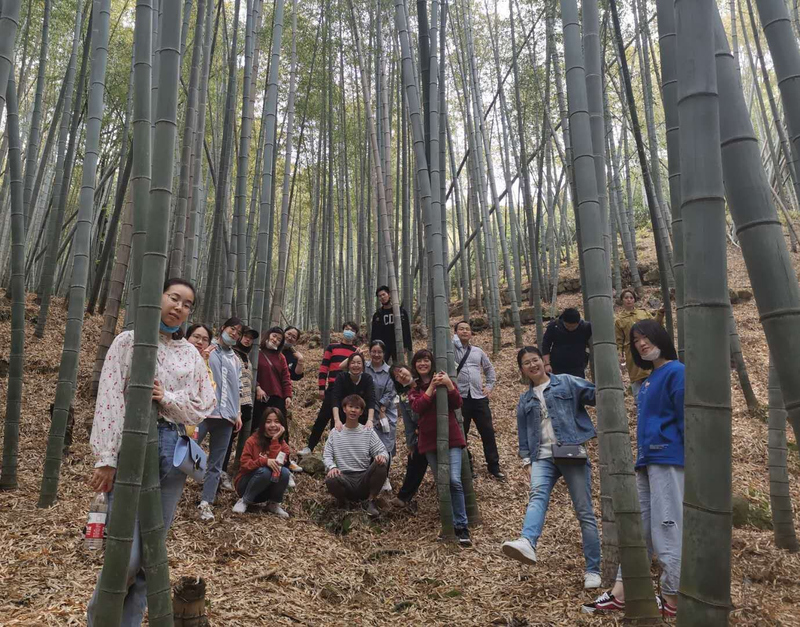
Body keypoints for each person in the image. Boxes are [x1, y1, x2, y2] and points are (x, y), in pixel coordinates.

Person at [87, 279, 216, 626]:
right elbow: (110, 400)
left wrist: (167, 398)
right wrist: (106, 458)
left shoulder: (189, 353)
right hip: (132, 445)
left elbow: (205, 404)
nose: (179, 307)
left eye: (187, 304)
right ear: (156, 297)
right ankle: (99, 620)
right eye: (174, 298)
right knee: (125, 559)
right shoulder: (128, 341)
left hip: (173, 450)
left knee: (150, 558)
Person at [583, 320, 684, 618]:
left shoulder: (677, 371)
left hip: (669, 459)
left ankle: (673, 598)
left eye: (645, 337)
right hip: (647, 461)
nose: (641, 344)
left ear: (660, 338)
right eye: (635, 340)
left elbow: (687, 419)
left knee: (667, 526)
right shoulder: (648, 381)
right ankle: (622, 592)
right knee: (639, 530)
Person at [500, 346, 601, 591]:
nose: (532, 365)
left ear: (543, 362)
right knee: (536, 496)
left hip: (570, 451)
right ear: (522, 370)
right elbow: (523, 434)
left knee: (584, 511)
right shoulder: (525, 399)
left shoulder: (566, 382)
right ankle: (527, 541)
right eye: (526, 363)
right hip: (542, 456)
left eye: (535, 360)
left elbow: (597, 395)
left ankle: (593, 569)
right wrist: (526, 461)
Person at [408, 349, 472, 546]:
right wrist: (431, 387)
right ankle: (448, 523)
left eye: (426, 360)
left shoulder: (444, 380)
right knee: (442, 482)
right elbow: (418, 407)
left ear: (432, 362)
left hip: (451, 437)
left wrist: (448, 384)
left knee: (454, 480)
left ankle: (461, 525)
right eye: (419, 361)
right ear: (415, 365)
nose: (423, 364)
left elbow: (457, 402)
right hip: (428, 440)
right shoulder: (414, 389)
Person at [196, 317, 244, 522]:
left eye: (238, 333)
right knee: (186, 450)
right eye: (232, 329)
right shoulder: (209, 348)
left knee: (216, 463)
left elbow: (238, 388)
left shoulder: (236, 360)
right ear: (223, 328)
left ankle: (206, 502)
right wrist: (202, 357)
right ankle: (170, 491)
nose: (234, 334)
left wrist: (238, 413)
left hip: (227, 416)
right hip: (204, 412)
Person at [452, 320, 504, 480]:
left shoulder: (477, 351)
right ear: (455, 333)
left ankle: (494, 466)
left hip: (479, 398)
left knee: (487, 432)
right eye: (461, 329)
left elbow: (489, 369)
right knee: (462, 434)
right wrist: (455, 340)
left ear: (471, 333)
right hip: (460, 398)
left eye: (467, 329)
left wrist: (489, 386)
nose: (464, 331)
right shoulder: (450, 349)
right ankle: (467, 466)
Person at [323, 394, 389, 518]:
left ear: (361, 412)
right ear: (344, 409)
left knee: (381, 465)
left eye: (357, 408)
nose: (353, 410)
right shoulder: (335, 432)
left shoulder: (367, 431)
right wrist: (332, 467)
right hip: (344, 478)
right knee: (331, 479)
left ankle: (371, 501)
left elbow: (383, 451)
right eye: (350, 407)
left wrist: (381, 457)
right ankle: (343, 502)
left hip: (364, 478)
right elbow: (327, 456)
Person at [301, 321, 359, 454]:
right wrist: (321, 387)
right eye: (347, 329)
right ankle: (310, 447)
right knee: (323, 417)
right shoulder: (332, 347)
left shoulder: (356, 351)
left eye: (352, 330)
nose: (349, 332)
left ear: (355, 335)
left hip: (348, 389)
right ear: (343, 330)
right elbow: (324, 367)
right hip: (333, 386)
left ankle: (335, 452)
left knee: (340, 420)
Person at [232, 406, 291, 518]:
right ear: (263, 424)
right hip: (246, 485)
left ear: (282, 425)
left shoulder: (284, 447)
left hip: (265, 490)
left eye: (277, 422)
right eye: (268, 422)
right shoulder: (252, 441)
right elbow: (244, 465)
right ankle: (244, 501)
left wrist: (275, 440)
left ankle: (273, 503)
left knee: (284, 472)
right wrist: (264, 461)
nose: (273, 425)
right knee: (265, 471)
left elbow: (276, 467)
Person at [219, 326, 259, 491]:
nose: (248, 340)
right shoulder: (230, 353)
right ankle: (219, 472)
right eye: (245, 336)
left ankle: (220, 471)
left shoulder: (247, 358)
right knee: (225, 440)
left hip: (245, 404)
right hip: (233, 404)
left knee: (230, 439)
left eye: (251, 338)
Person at [388, 364, 428, 508]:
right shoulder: (404, 396)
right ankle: (404, 497)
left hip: (438, 429)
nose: (401, 375)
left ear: (408, 368)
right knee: (414, 460)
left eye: (400, 371)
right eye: (397, 377)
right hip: (421, 433)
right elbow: (408, 423)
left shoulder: (426, 382)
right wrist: (411, 444)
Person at [615, 288, 665, 398]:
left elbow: (654, 325)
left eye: (631, 297)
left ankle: (655, 398)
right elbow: (619, 340)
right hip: (632, 354)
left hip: (648, 348)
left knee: (652, 374)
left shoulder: (643, 313)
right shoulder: (619, 320)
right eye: (626, 298)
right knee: (637, 379)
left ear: (634, 300)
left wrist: (660, 314)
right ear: (622, 300)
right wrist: (620, 354)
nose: (629, 300)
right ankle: (639, 402)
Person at [365, 340, 398, 492]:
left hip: (385, 413)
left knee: (386, 446)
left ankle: (384, 477)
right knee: (368, 445)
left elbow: (391, 391)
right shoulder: (364, 367)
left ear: (384, 354)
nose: (376, 355)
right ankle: (369, 477)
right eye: (374, 351)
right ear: (369, 352)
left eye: (379, 352)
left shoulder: (390, 371)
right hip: (367, 412)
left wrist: (382, 407)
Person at [254, 326, 293, 435]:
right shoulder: (256, 352)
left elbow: (286, 378)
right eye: (274, 336)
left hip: (277, 397)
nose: (275, 340)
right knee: (259, 427)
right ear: (268, 335)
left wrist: (288, 395)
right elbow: (249, 373)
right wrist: (257, 386)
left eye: (279, 339)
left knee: (279, 428)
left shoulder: (281, 357)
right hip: (260, 397)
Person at [541, 308, 592, 378]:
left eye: (573, 327)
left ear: (578, 322)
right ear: (563, 321)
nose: (570, 328)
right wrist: (547, 364)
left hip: (577, 366)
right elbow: (545, 345)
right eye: (567, 326)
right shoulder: (554, 326)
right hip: (557, 366)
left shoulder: (586, 327)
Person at [330, 352, 376, 429]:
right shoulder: (341, 377)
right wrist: (336, 420)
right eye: (353, 363)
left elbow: (371, 399)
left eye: (359, 363)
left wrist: (370, 420)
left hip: (362, 420)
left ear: (363, 366)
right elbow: (335, 399)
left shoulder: (367, 378)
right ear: (348, 365)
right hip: (341, 420)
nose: (356, 365)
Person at [370, 285, 412, 363]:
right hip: (383, 344)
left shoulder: (401, 312)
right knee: (381, 365)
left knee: (398, 365)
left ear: (389, 295)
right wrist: (372, 347)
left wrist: (406, 345)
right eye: (380, 296)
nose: (382, 297)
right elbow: (374, 333)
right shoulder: (377, 314)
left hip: (398, 343)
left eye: (384, 294)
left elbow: (406, 329)